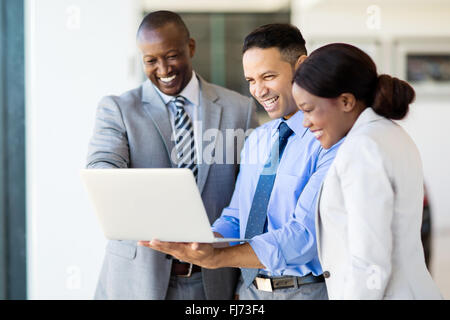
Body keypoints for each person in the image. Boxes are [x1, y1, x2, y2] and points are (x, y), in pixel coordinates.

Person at [140, 24, 341, 300]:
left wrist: (219, 258)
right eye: (251, 80)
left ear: (302, 67)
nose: (258, 90)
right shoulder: (259, 139)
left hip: (304, 291)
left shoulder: (329, 140)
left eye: (268, 76)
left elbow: (304, 238)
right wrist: (203, 241)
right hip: (248, 292)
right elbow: (238, 217)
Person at [87, 10, 258, 300]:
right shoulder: (118, 109)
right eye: (151, 60)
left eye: (171, 56)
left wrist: (247, 284)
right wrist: (110, 182)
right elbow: (102, 165)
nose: (163, 69)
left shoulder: (238, 109)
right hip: (137, 280)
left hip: (213, 281)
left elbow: (253, 195)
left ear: (190, 47)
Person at [292, 43, 442, 299]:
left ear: (346, 101)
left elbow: (370, 262)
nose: (305, 123)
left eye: (308, 110)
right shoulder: (388, 133)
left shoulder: (361, 148)